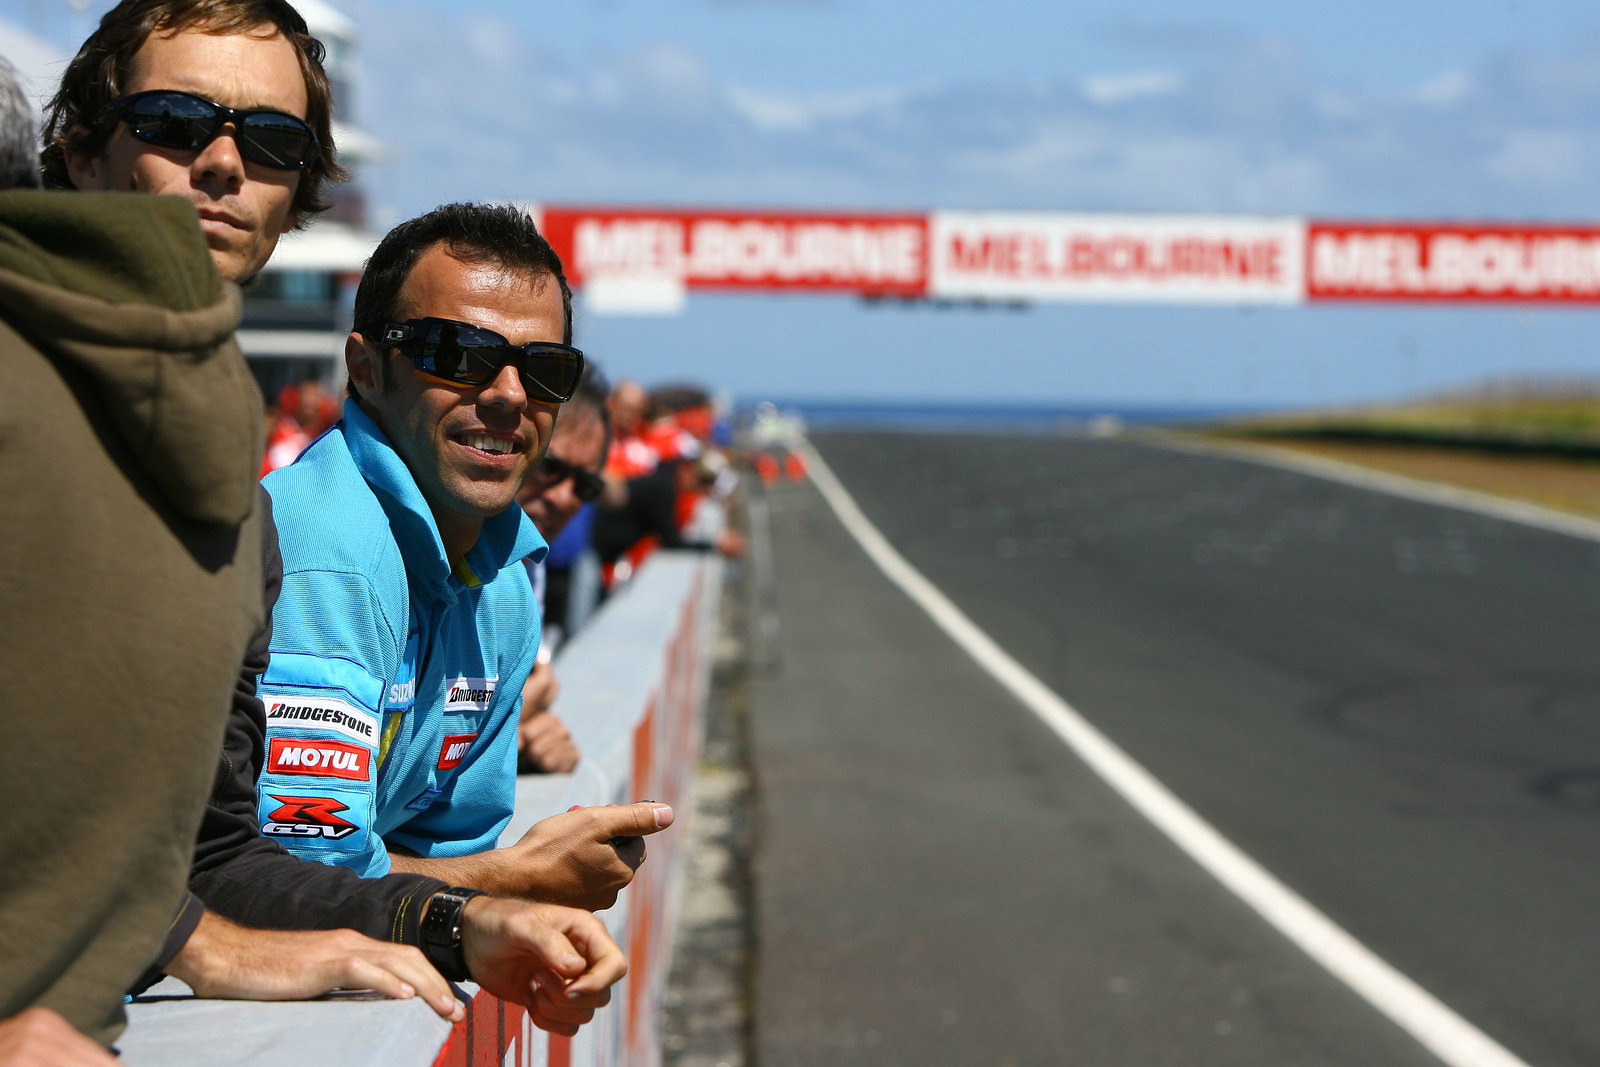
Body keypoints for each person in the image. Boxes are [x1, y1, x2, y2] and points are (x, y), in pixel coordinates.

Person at [28, 1, 634, 1044]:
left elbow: (206, 858)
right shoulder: (43, 392)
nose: (222, 163)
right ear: (80, 149)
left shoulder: (214, 463)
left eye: (270, 141)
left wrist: (460, 920)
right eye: (176, 122)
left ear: (301, 190)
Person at [259, 201, 673, 897]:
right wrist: (518, 875)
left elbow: (443, 848)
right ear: (365, 368)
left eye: (544, 369)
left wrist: (489, 878)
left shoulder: (506, 583)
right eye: (457, 354)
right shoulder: (327, 551)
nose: (510, 394)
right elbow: (295, 875)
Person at [514, 363, 614, 773]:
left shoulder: (527, 564)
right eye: (551, 468)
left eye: (585, 487)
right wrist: (509, 728)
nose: (564, 497)